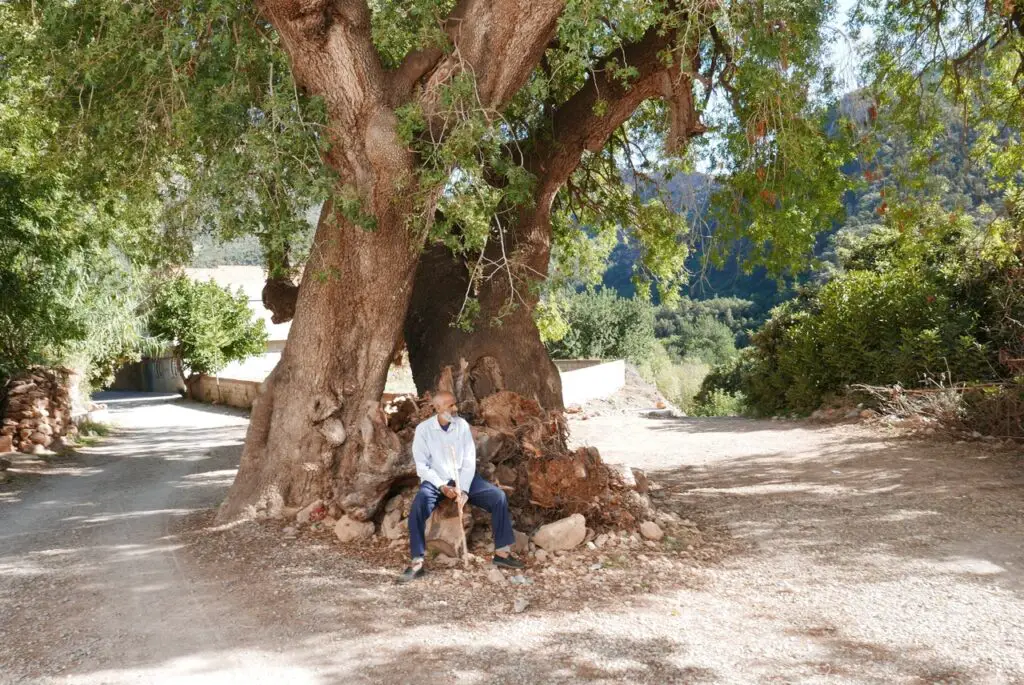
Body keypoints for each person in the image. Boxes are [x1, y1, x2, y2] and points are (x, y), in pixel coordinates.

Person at [399, 390, 525, 582]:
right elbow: (422, 466)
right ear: (438, 408)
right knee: (418, 506)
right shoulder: (424, 430)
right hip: (436, 481)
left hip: (464, 478)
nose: (455, 408)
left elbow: (468, 461)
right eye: (450, 405)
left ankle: (502, 554)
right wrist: (443, 487)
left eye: (455, 404)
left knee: (498, 497)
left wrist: (463, 489)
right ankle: (417, 561)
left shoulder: (462, 426)